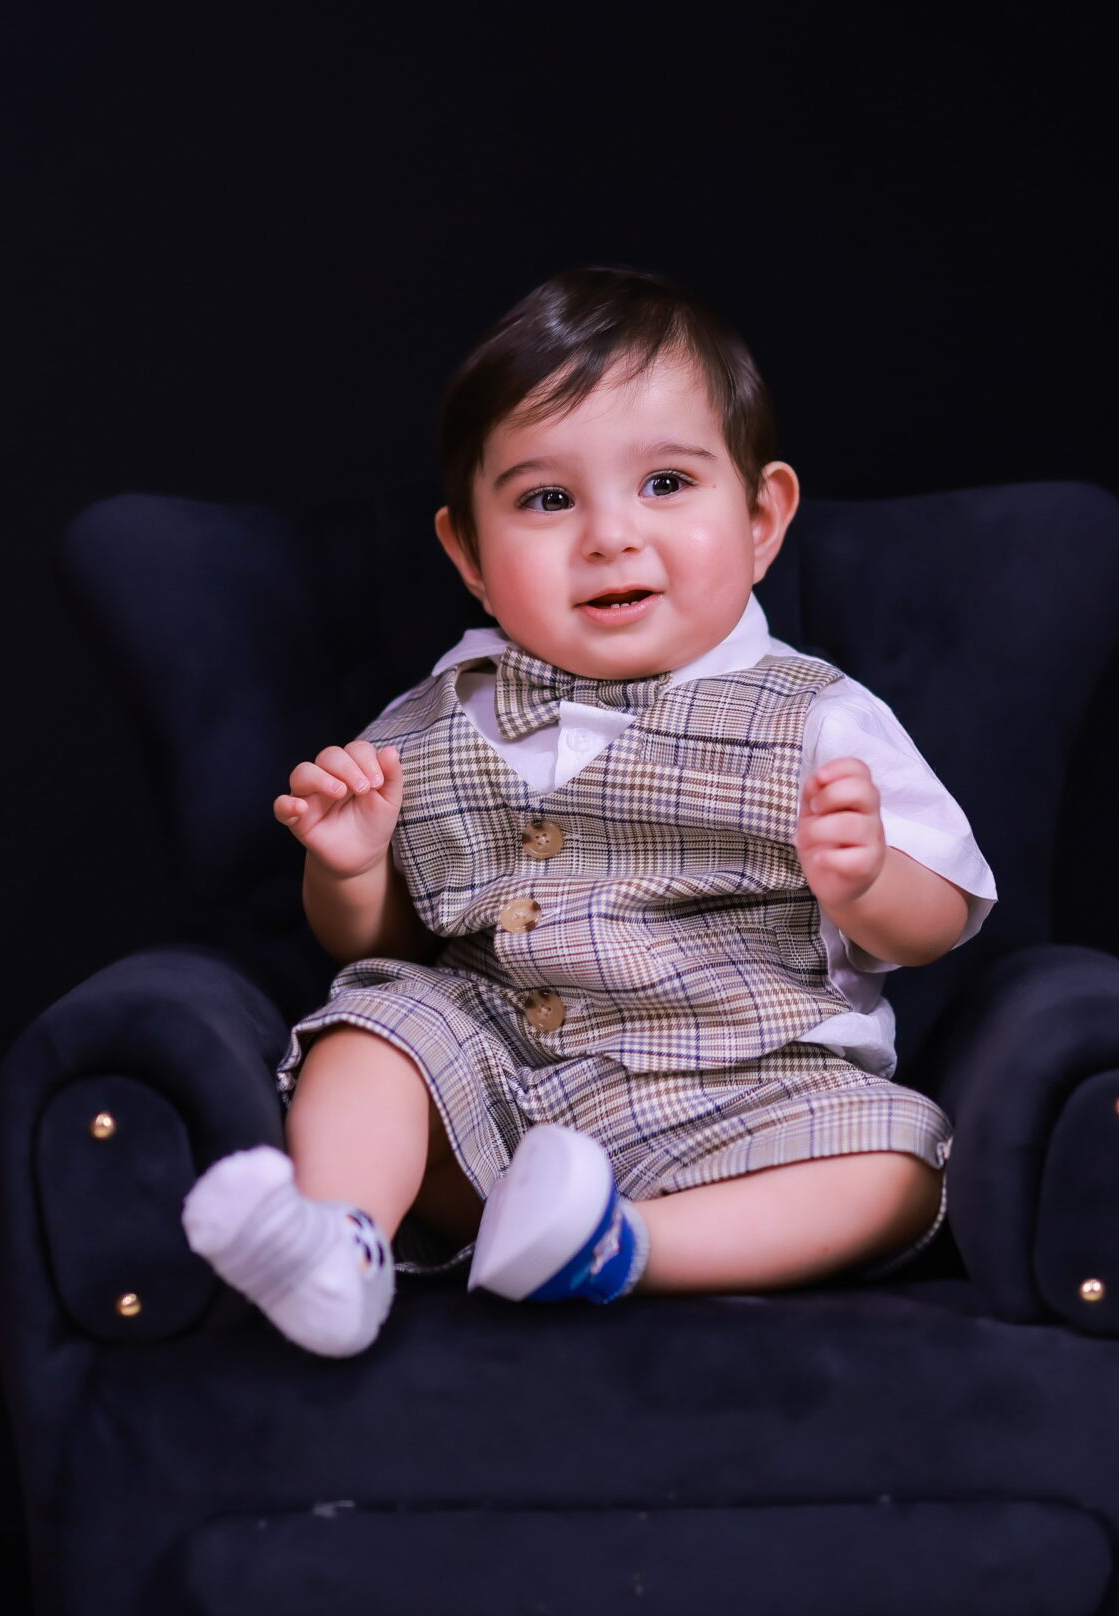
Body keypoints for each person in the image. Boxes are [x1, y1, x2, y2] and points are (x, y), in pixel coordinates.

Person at [179, 267, 997, 1357]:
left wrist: (869, 879)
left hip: (745, 1101)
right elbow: (384, 944)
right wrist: (351, 869)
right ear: (470, 555)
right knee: (376, 1025)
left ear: (760, 518)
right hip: (499, 1095)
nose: (610, 535)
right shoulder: (434, 717)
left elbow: (940, 920)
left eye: (665, 483)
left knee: (897, 1167)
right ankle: (338, 1247)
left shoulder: (820, 716)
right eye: (546, 500)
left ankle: (622, 1247)